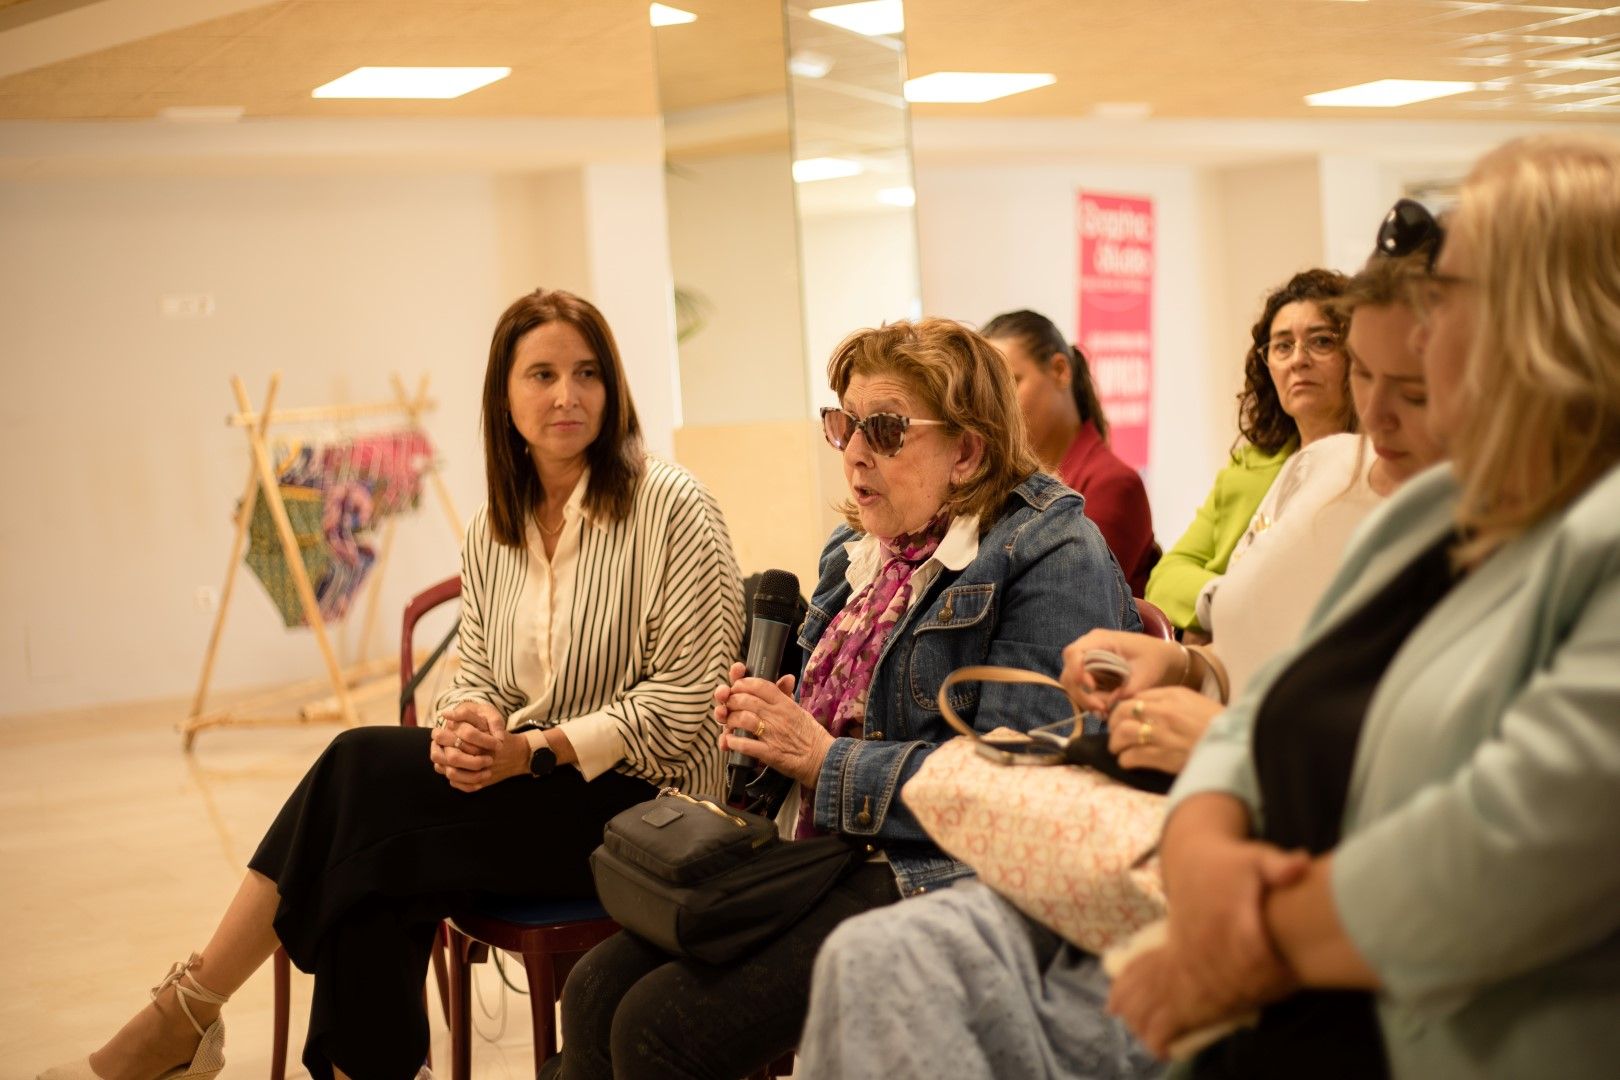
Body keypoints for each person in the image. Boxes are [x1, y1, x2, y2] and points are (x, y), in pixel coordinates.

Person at [41, 288, 745, 1080]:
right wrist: (467, 721)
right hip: (534, 796)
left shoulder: (671, 505)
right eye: (541, 374)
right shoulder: (495, 529)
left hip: (646, 812)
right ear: (503, 396)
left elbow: (687, 702)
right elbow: (475, 669)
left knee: (359, 775)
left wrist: (534, 752)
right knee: (372, 869)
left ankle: (189, 1011)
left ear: (613, 390)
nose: (566, 396)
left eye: (587, 374)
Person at [793, 241, 1446, 1080]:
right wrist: (1185, 669)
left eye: (882, 430)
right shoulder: (1326, 473)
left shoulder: (1056, 531)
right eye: (1365, 376)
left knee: (758, 996)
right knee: (857, 963)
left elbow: (1022, 762)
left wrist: (1217, 739)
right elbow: (1227, 621)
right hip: (1176, 832)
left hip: (1205, 857)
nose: (1377, 414)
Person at [1109, 133, 1620, 1079]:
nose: (1419, 334)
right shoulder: (1428, 511)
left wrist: (1233, 943)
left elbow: (1508, 849)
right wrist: (1204, 844)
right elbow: (1264, 706)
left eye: (1447, 301)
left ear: (1547, 324)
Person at [544, 318, 1141, 1080]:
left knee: (660, 1030)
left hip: (947, 869)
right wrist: (768, 719)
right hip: (830, 850)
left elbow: (1014, 788)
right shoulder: (859, 549)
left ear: (966, 450)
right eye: (844, 422)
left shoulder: (1052, 555)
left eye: (886, 429)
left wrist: (825, 756)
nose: (855, 452)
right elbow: (815, 724)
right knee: (593, 993)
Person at [1145, 269, 1355, 634]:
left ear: (1357, 355)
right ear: (1267, 364)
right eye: (1282, 345)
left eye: (1321, 341)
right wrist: (1223, 602)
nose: (1298, 360)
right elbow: (1165, 578)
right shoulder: (1249, 467)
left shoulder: (1374, 465)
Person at [982, 309, 1158, 594]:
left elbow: (1063, 602)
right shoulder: (1002, 483)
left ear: (1061, 371)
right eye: (990, 393)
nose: (996, 408)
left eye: (1011, 384)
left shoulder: (1112, 484)